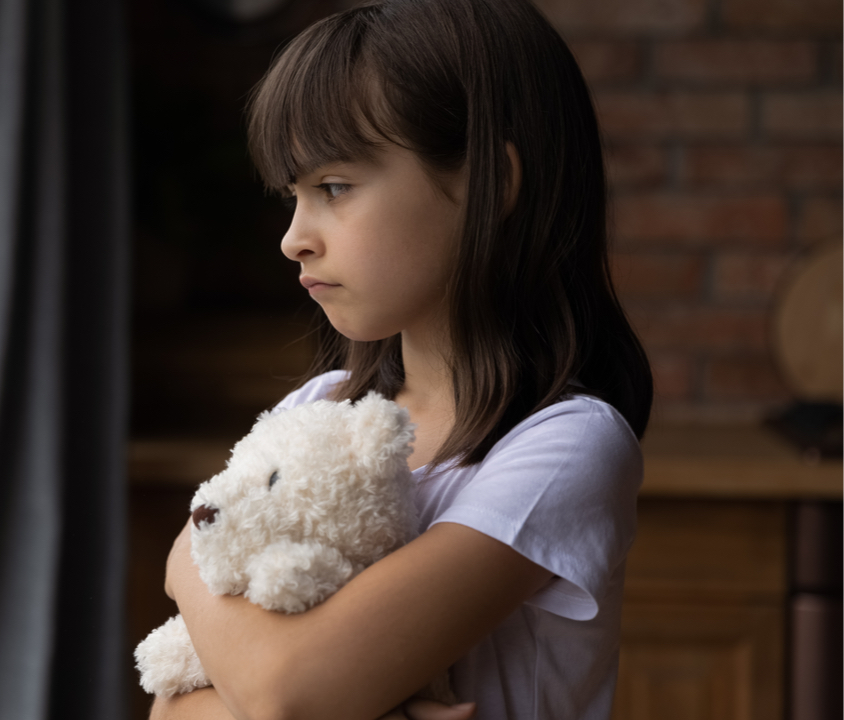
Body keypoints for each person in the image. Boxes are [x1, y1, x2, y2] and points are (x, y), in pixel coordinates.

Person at [151, 0, 654, 718]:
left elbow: (284, 694)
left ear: (490, 184)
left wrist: (185, 565)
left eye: (333, 187)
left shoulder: (564, 444)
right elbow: (172, 709)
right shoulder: (318, 408)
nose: (294, 237)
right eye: (291, 197)